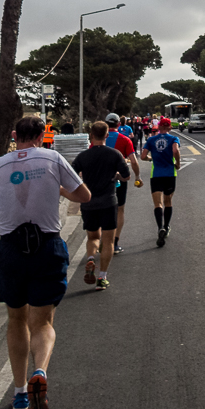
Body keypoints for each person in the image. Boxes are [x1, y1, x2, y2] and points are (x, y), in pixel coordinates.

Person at [0, 115, 91, 409]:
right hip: (46, 246)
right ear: (44, 134)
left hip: (9, 250)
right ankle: (40, 371)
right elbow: (84, 195)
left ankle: (19, 395)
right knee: (42, 322)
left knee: (16, 319)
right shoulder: (53, 157)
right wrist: (58, 189)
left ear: (15, 135)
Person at [71, 121, 130, 290]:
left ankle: (90, 258)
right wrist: (116, 176)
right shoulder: (114, 154)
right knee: (108, 240)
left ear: (91, 135)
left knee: (93, 237)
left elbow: (71, 177)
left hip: (88, 203)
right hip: (108, 202)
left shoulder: (82, 156)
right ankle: (102, 277)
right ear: (106, 135)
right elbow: (126, 176)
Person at [141, 117, 181, 247]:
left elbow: (142, 156)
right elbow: (175, 150)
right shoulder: (173, 139)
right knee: (168, 201)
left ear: (158, 127)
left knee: (158, 203)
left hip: (156, 175)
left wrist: (150, 158)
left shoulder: (151, 139)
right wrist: (177, 163)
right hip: (170, 174)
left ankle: (160, 228)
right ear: (169, 128)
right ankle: (167, 226)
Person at [104, 113, 141, 253]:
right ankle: (115, 242)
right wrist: (138, 177)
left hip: (101, 180)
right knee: (120, 209)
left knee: (103, 209)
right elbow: (134, 161)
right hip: (119, 178)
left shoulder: (99, 139)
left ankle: (103, 240)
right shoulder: (125, 139)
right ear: (119, 124)